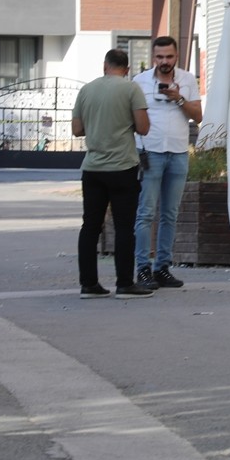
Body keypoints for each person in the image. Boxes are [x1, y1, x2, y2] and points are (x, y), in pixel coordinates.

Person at [72, 48, 154, 299]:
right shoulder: (131, 89)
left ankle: (88, 284)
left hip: (93, 168)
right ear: (126, 69)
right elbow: (143, 128)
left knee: (90, 227)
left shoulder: (86, 90)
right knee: (123, 227)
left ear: (104, 66)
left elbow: (77, 130)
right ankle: (125, 283)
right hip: (122, 168)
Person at [133, 35, 203, 289]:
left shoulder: (186, 80)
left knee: (170, 214)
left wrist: (179, 99)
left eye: (169, 57)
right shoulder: (139, 82)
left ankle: (162, 267)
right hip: (150, 152)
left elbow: (198, 115)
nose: (164, 62)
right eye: (160, 57)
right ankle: (142, 268)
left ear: (176, 56)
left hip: (178, 152)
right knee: (146, 213)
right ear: (154, 57)